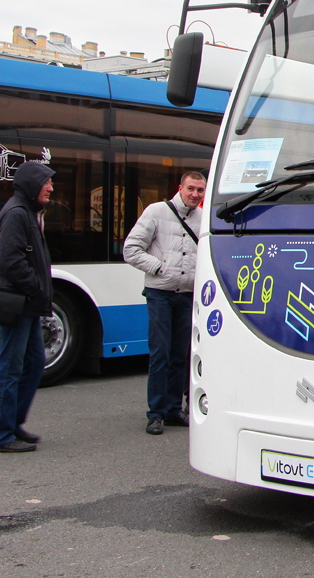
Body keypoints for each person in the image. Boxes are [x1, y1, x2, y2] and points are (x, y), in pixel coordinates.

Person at [123, 171, 206, 435]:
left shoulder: (203, 219)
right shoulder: (156, 211)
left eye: (200, 191)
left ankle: (173, 410)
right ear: (179, 188)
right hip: (160, 293)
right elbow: (131, 249)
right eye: (191, 188)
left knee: (181, 354)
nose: (195, 194)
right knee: (160, 354)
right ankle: (155, 414)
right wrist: (160, 268)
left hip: (187, 295)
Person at [0, 161, 55, 453]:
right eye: (46, 182)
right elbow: (9, 261)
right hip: (18, 303)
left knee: (33, 363)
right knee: (9, 368)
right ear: (30, 184)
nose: (51, 188)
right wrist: (36, 287)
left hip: (27, 304)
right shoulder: (17, 213)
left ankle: (12, 424)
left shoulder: (26, 212)